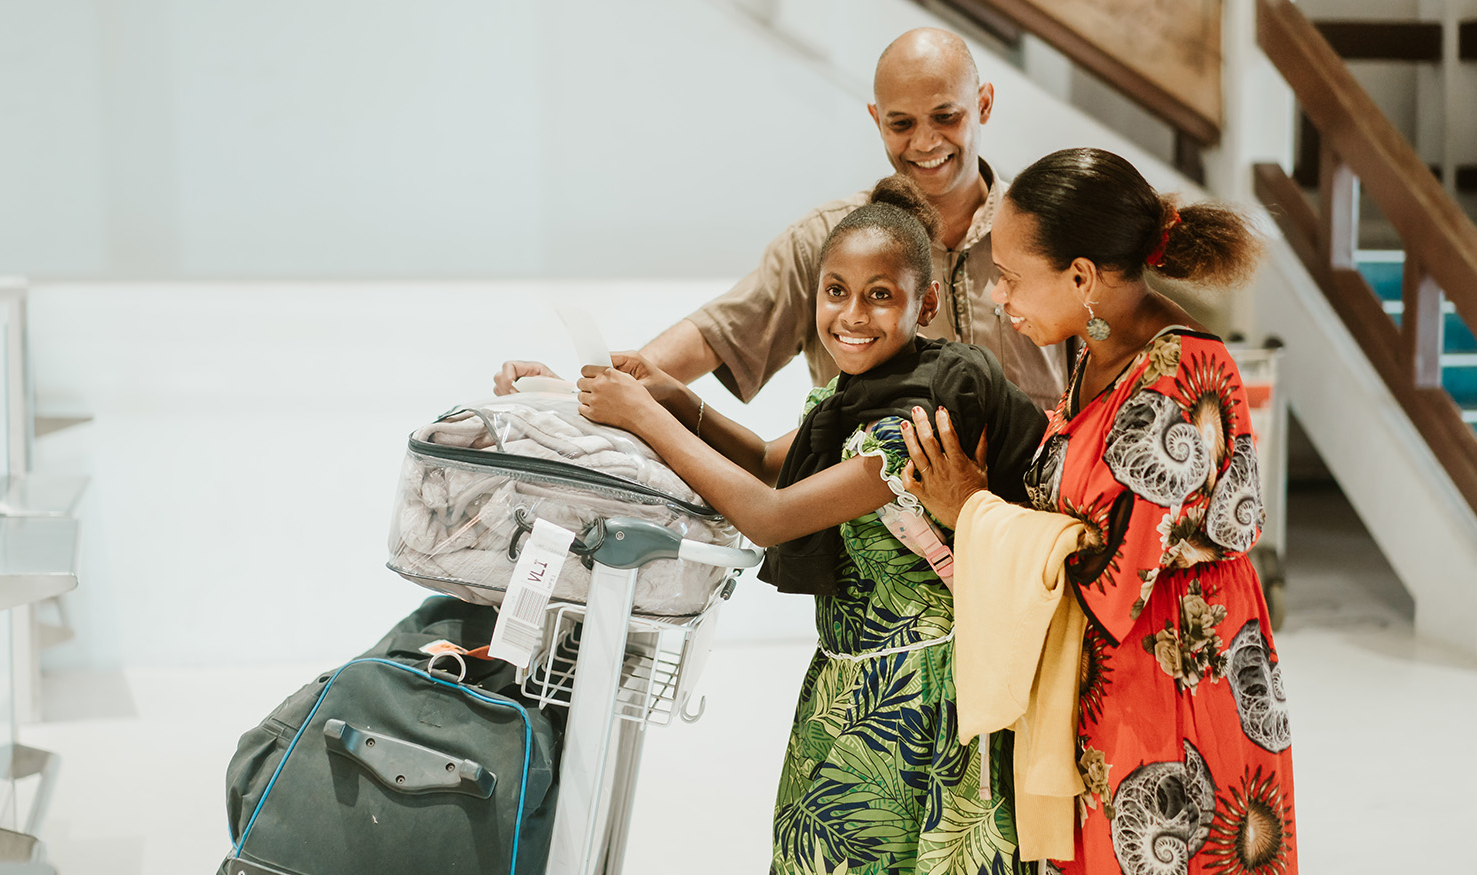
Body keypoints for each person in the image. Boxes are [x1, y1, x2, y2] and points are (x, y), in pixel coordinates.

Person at [577, 176, 1047, 875]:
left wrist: (642, 416)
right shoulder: (860, 392)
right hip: (853, 685)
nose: (852, 315)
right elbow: (775, 461)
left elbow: (769, 515)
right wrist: (676, 398)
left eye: (879, 295)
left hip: (919, 705)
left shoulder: (912, 423)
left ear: (927, 303)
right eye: (835, 291)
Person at [902, 147, 1297, 875]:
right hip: (1114, 689)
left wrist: (973, 509)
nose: (999, 298)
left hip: (1172, 697)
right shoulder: (1099, 347)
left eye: (1012, 278)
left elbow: (1114, 575)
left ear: (1082, 277)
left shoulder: (1181, 371)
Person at [496, 27, 1069, 412]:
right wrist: (570, 394)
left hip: (1029, 552)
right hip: (877, 559)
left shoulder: (1048, 229)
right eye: (900, 124)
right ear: (875, 118)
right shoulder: (828, 240)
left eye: (946, 116)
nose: (924, 142)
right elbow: (713, 335)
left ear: (985, 105)